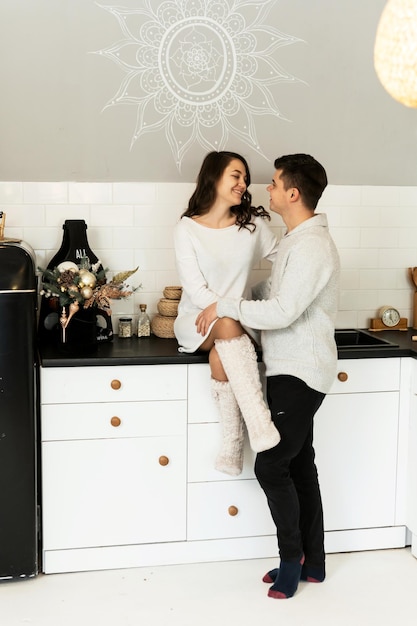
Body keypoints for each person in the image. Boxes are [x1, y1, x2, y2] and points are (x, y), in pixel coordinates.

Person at [196, 154, 340, 599]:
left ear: (293, 193)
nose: (268, 190)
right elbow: (271, 293)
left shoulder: (312, 245)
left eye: (275, 184)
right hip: (289, 368)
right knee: (300, 466)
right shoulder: (296, 240)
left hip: (300, 371)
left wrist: (225, 307)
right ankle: (314, 562)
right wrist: (228, 295)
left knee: (271, 464)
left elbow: (281, 311)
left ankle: (290, 560)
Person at [174, 151, 281, 477]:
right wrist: (225, 309)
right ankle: (260, 422)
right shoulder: (187, 229)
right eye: (236, 175)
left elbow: (286, 261)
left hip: (238, 320)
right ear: (214, 177)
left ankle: (232, 445)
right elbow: (195, 289)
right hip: (198, 320)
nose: (244, 183)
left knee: (222, 358)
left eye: (245, 178)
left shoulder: (252, 226)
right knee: (225, 322)